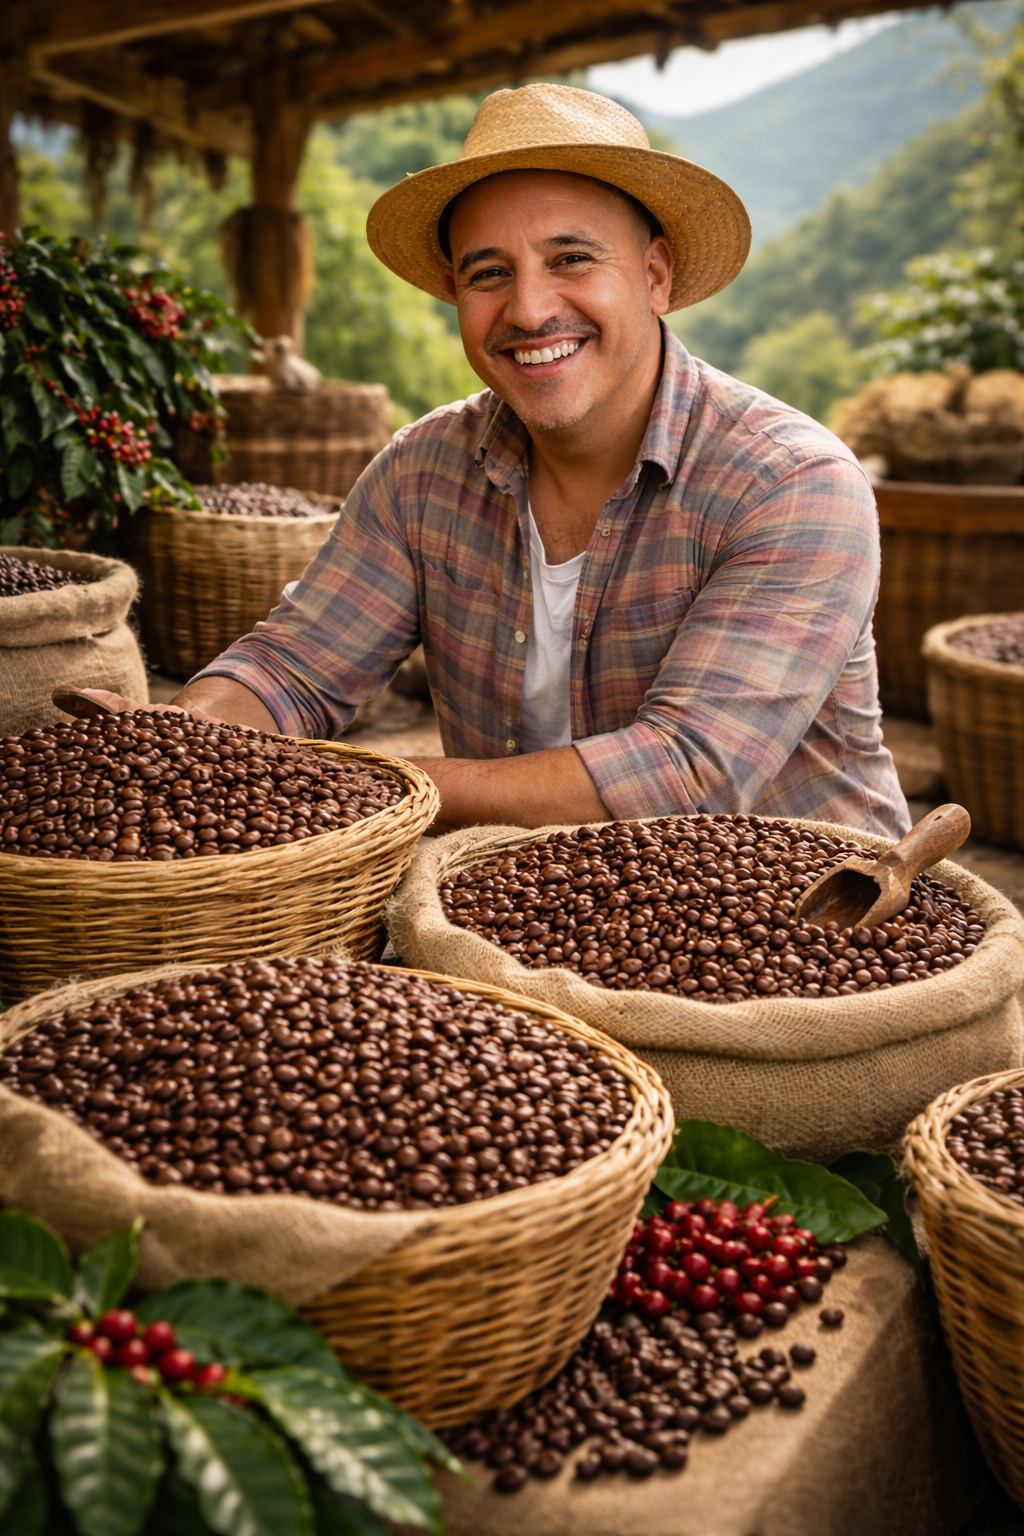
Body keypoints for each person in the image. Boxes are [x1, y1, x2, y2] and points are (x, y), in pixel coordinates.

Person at [93, 84, 909, 838]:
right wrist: (189, 738)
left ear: (654, 276)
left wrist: (348, 784)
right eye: (490, 274)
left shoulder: (791, 483)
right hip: (522, 907)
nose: (527, 308)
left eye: (572, 259)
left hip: (800, 921)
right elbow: (295, 666)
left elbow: (686, 775)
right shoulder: (424, 471)